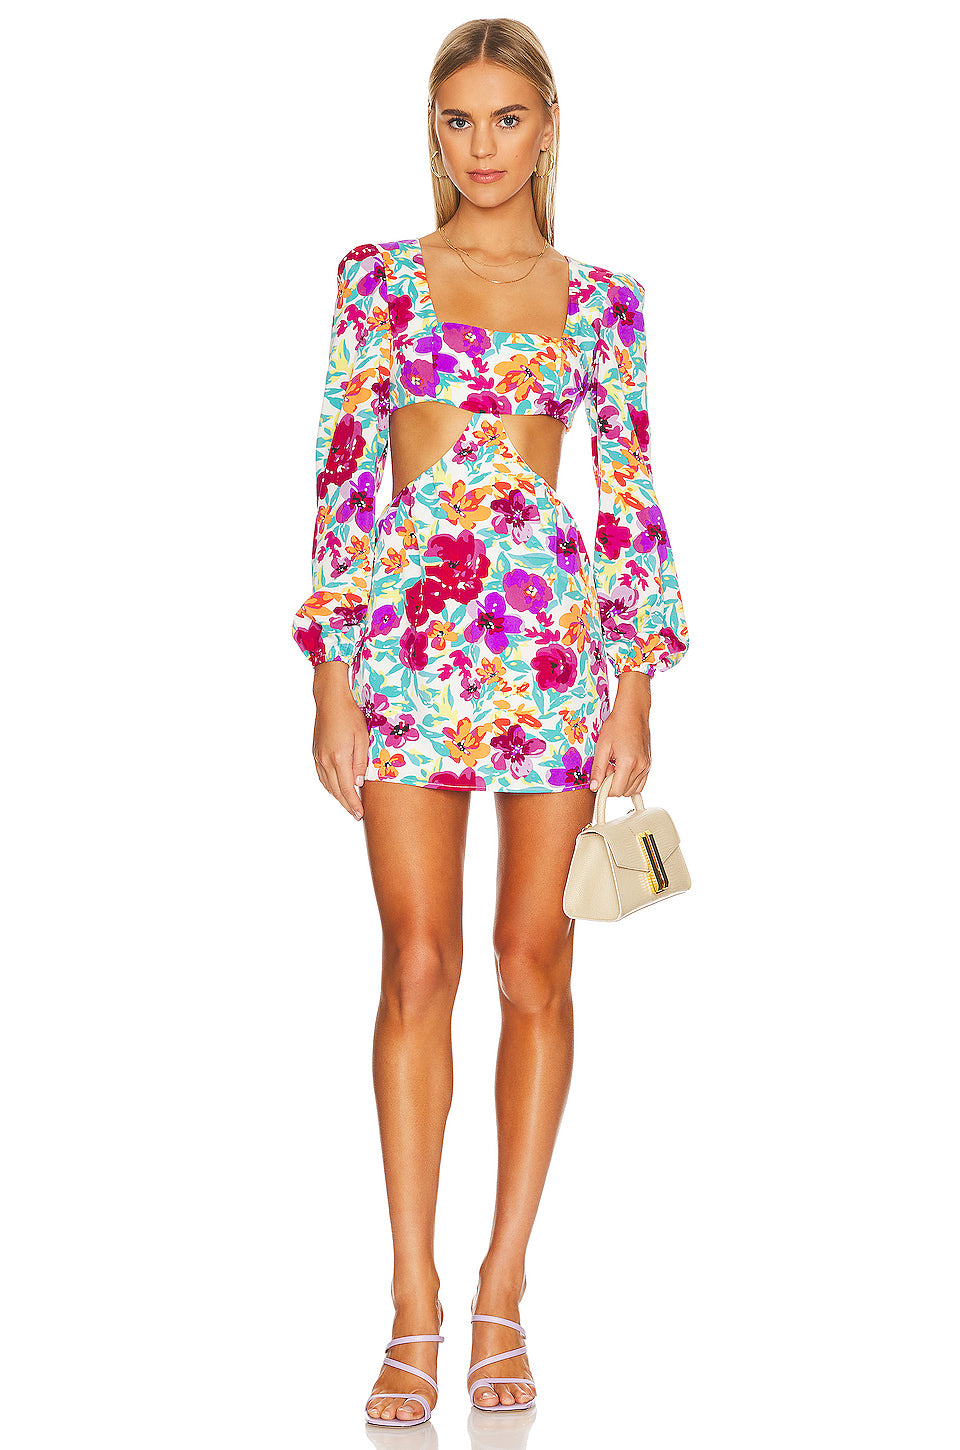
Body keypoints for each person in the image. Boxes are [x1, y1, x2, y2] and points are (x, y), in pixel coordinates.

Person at [291, 17, 690, 1426]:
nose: (481, 145)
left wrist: (635, 680)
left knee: (533, 967)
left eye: (506, 117)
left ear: (549, 127)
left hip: (550, 654)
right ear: (435, 130)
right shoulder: (378, 281)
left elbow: (628, 494)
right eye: (457, 119)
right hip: (408, 646)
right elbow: (345, 479)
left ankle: (503, 1287)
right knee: (417, 961)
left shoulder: (604, 302)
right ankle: (413, 1302)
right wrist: (331, 671)